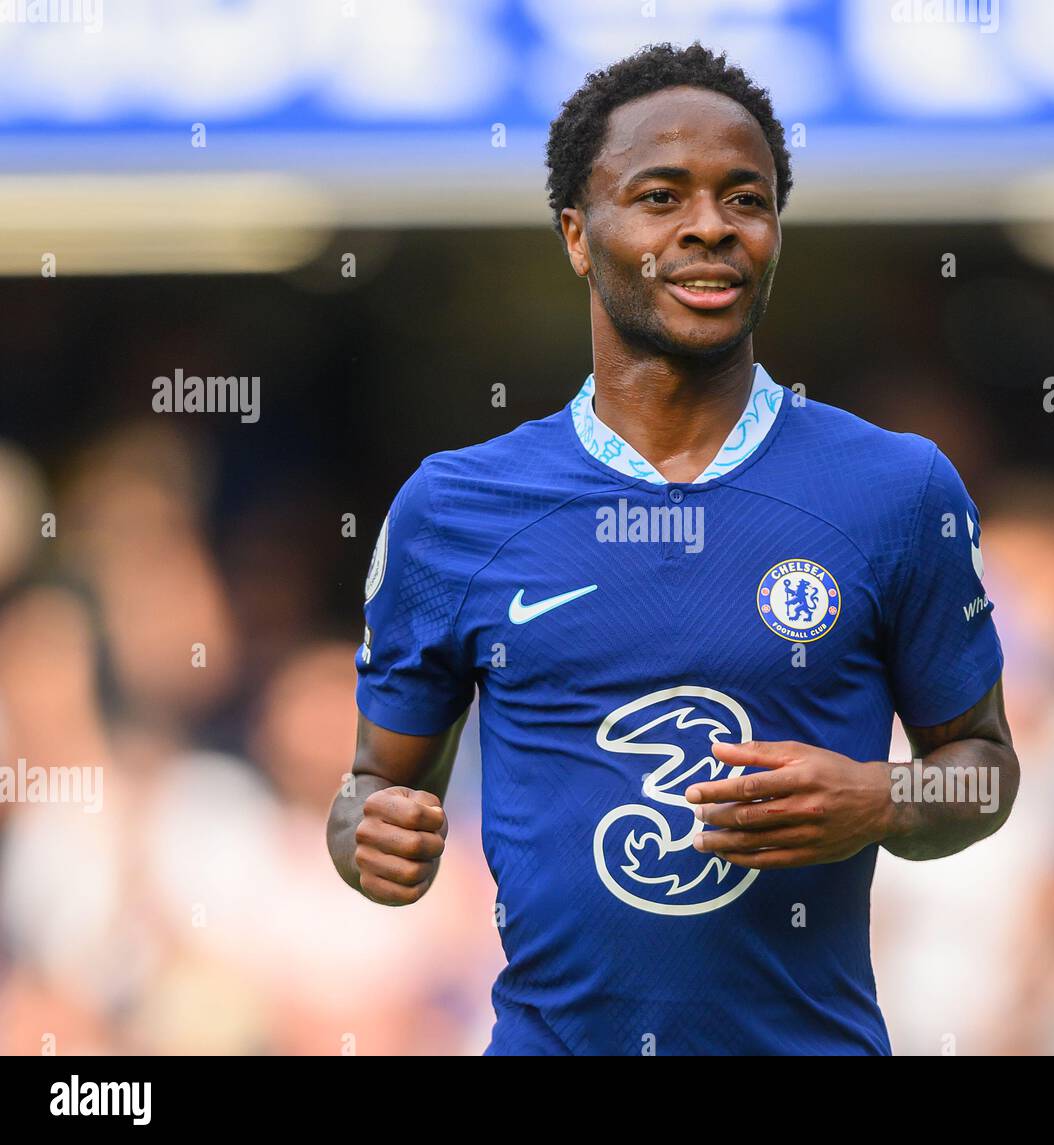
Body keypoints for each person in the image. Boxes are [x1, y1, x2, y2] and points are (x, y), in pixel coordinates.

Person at [325, 41, 1017, 1055]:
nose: (709, 226)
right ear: (576, 233)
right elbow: (371, 785)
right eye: (660, 196)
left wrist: (881, 794)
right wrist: (367, 838)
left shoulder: (894, 489)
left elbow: (984, 769)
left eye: (746, 198)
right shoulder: (454, 507)